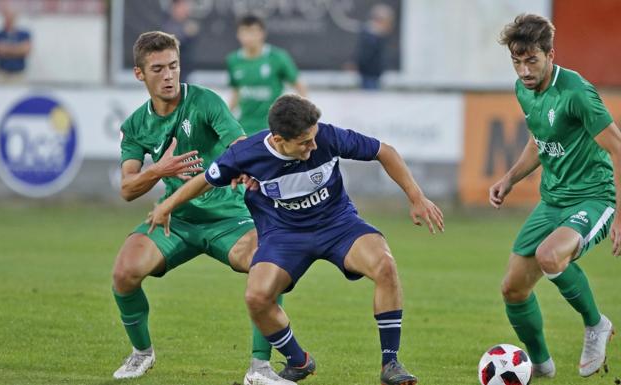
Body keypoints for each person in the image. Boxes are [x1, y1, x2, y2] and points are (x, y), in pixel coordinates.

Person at [148, 94, 444, 385]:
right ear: (279, 141)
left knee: (385, 265)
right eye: (305, 142)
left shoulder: (326, 136)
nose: (314, 145)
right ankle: (298, 360)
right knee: (257, 298)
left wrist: (416, 197)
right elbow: (205, 180)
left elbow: (385, 151)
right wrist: (166, 205)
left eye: (314, 137)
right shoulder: (247, 154)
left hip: (337, 224)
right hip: (284, 235)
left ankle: (390, 363)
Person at [111, 31, 293, 385]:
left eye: (174, 66)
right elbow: (127, 188)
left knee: (269, 263)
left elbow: (237, 141)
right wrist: (159, 170)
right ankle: (141, 354)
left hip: (229, 217)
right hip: (176, 218)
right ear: (139, 74)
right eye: (158, 68)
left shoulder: (205, 102)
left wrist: (244, 165)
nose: (168, 76)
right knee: (124, 274)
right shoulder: (135, 125)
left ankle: (260, 367)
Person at [490, 13, 620, 378]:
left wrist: (620, 216)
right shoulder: (524, 90)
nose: (524, 70)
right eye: (517, 61)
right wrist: (511, 178)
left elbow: (618, 149)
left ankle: (596, 324)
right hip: (552, 200)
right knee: (513, 289)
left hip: (594, 198)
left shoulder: (576, 92)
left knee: (550, 256)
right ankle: (541, 366)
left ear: (551, 54)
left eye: (531, 60)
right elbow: (540, 140)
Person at [226, 14, 307, 136]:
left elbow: (298, 85)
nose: (248, 37)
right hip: (245, 127)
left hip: (273, 127)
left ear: (262, 33)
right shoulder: (233, 60)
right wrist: (225, 118)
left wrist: (304, 115)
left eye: (253, 32)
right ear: (238, 35)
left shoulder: (277, 57)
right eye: (244, 33)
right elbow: (236, 92)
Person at [354, 3, 394, 90]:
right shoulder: (371, 35)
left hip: (374, 74)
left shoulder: (377, 35)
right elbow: (365, 55)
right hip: (370, 74)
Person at [162, 0, 198, 83]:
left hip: (187, 71)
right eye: (182, 7)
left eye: (186, 7)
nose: (185, 10)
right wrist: (185, 34)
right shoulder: (167, 25)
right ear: (174, 8)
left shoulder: (188, 24)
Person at [0, 6, 31, 82]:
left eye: (11, 17)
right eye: (7, 17)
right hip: (3, 73)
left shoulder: (24, 34)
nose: (9, 19)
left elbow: (26, 50)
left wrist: (6, 49)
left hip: (19, 74)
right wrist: (18, 48)